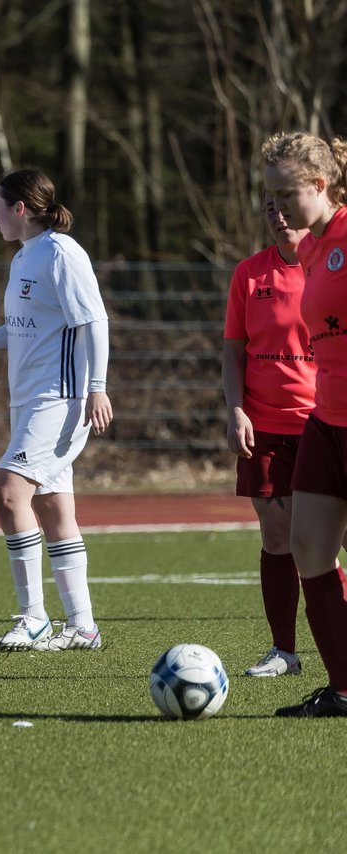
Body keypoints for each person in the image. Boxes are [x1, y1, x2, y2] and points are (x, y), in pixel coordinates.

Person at [0, 167, 112, 652]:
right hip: (27, 402)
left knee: (8, 491)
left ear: (20, 209)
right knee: (52, 506)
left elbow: (94, 321)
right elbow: (28, 327)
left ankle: (33, 617)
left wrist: (98, 388)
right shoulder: (25, 257)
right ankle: (83, 626)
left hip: (60, 399)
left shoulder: (63, 253)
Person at [263, 131, 347, 717]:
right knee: (307, 547)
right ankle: (343, 690)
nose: (277, 207)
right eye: (269, 195)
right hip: (326, 419)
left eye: (287, 193)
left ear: (320, 185)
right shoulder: (312, 252)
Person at [223, 196, 316, 677]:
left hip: (326, 424)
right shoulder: (249, 274)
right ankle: (285, 652)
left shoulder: (333, 266)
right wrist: (236, 409)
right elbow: (234, 352)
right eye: (268, 208)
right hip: (265, 426)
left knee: (328, 539)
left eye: (286, 206)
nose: (278, 217)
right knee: (277, 535)